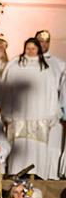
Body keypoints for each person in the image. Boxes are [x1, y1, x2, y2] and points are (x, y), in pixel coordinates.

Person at [2, 37, 61, 180]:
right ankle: (16, 173)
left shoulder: (45, 69)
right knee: (19, 145)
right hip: (20, 115)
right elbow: (7, 91)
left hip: (39, 115)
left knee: (36, 147)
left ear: (38, 50)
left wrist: (51, 114)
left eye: (33, 48)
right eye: (27, 48)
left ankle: (37, 174)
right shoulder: (15, 66)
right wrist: (7, 111)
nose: (30, 51)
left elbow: (52, 93)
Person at [35, 30, 66, 179]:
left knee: (53, 145)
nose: (43, 44)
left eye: (46, 41)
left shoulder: (59, 64)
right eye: (40, 41)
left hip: (54, 112)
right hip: (34, 111)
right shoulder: (26, 62)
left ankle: (53, 176)